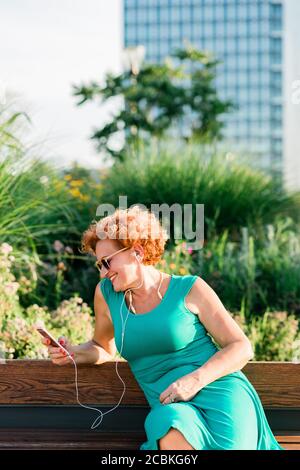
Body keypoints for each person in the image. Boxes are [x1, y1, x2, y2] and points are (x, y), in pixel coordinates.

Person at [41, 205, 285, 451]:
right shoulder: (106, 295)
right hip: (171, 408)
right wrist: (73, 353)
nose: (104, 273)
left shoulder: (190, 289)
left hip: (220, 393)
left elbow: (241, 347)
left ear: (136, 251)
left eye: (107, 262)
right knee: (168, 425)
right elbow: (103, 347)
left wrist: (194, 381)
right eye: (99, 266)